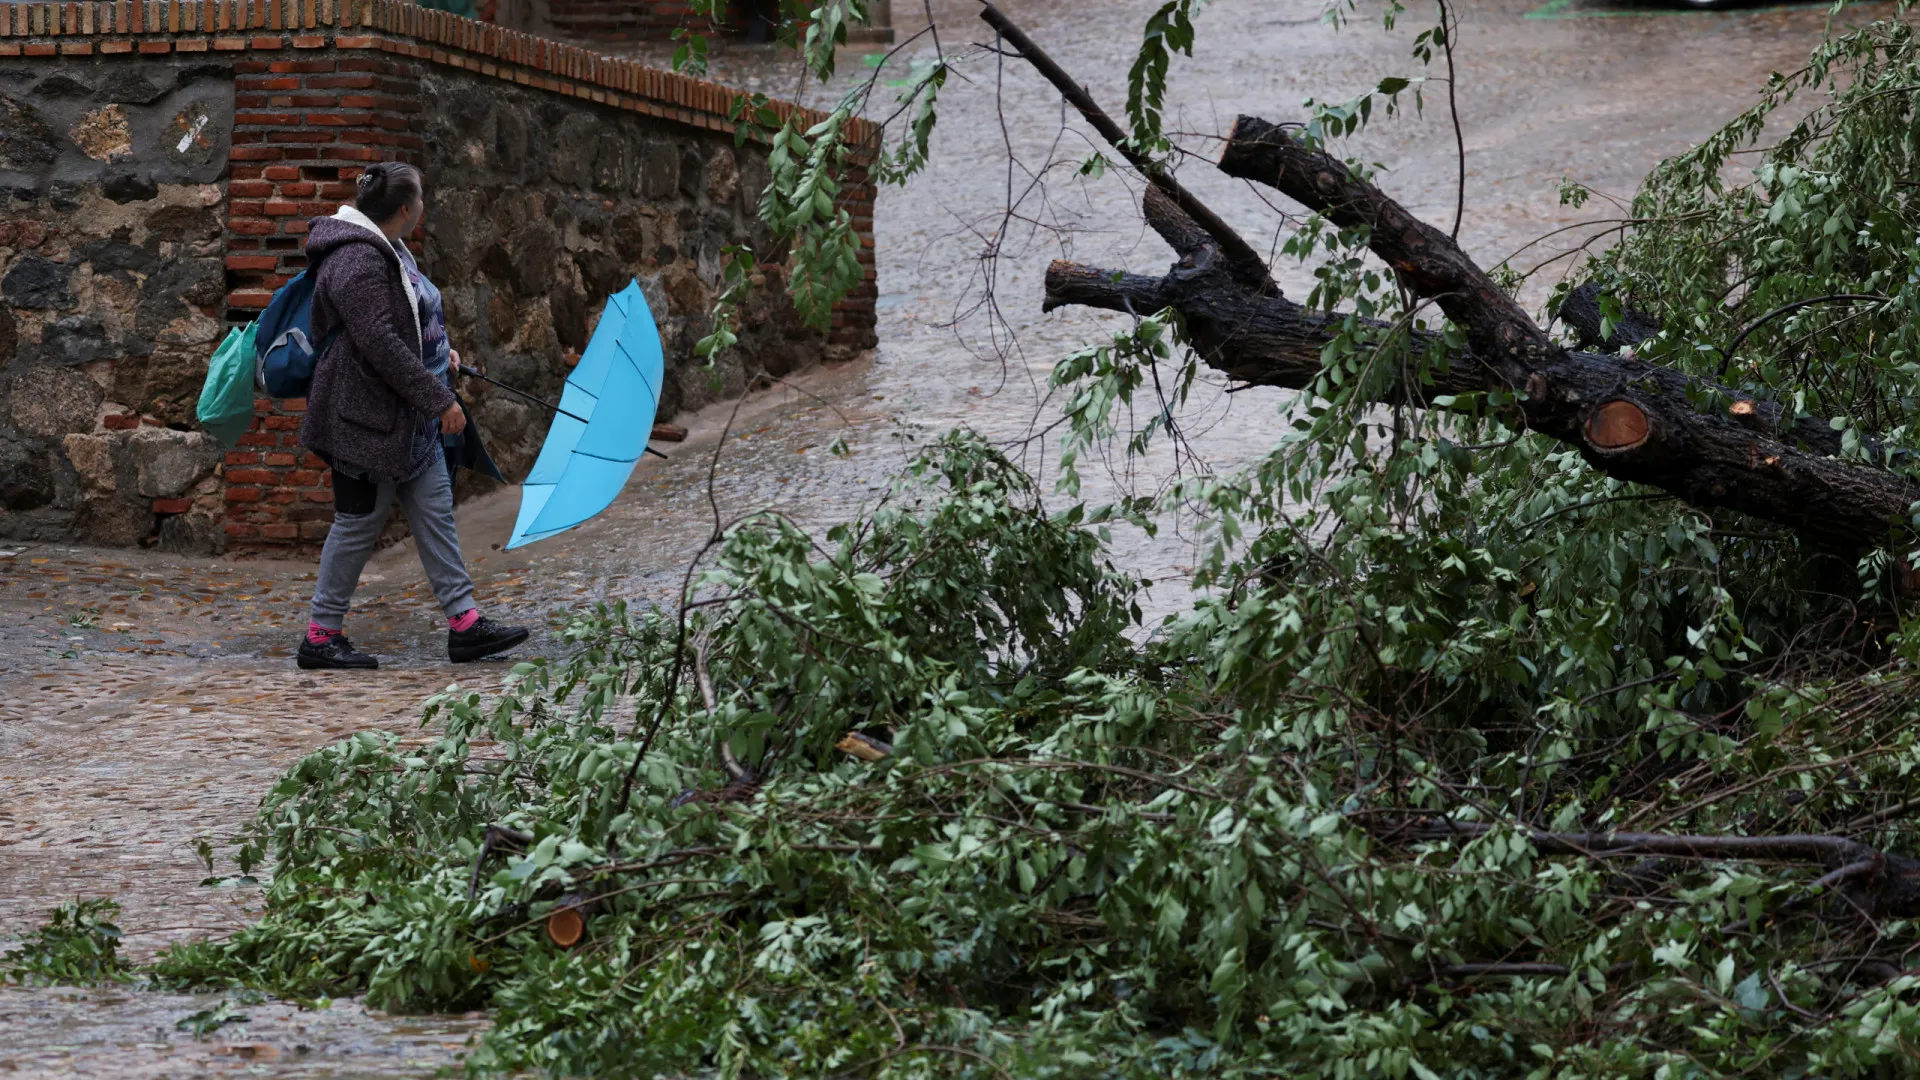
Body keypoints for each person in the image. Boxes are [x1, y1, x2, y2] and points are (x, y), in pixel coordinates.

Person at [294, 162, 529, 670]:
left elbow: (401, 323)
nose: (424, 206)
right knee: (358, 523)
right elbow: (377, 342)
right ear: (406, 209)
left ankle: (465, 624)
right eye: (421, 198)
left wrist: (439, 351)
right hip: (364, 421)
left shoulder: (389, 246)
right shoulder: (356, 257)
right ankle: (319, 636)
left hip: (404, 417)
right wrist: (439, 399)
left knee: (435, 511)